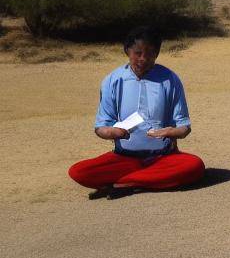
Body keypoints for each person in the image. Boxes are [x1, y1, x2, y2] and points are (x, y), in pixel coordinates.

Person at [69, 26, 205, 199]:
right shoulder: (113, 80)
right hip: (124, 159)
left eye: (150, 54)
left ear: (157, 54)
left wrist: (171, 132)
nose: (143, 59)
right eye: (138, 53)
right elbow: (101, 125)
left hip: (163, 157)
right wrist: (111, 132)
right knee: (79, 171)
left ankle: (124, 183)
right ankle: (140, 180)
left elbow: (184, 126)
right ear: (127, 51)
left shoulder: (170, 79)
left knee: (194, 166)